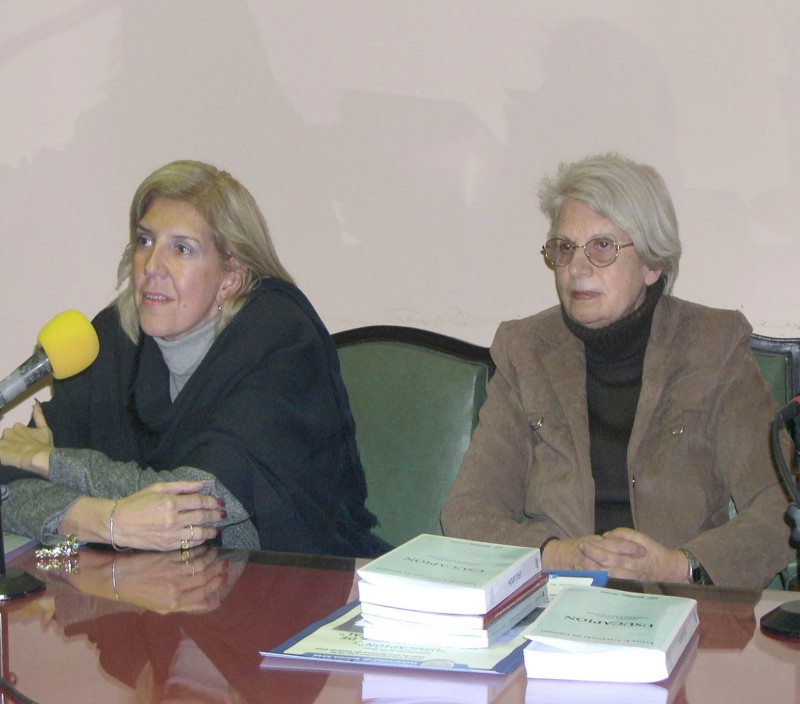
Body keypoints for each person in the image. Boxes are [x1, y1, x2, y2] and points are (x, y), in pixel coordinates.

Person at [441, 152, 794, 589]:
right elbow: (468, 509)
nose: (576, 267)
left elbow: (780, 505)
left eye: (602, 247)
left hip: (682, 604)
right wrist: (557, 555)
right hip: (556, 600)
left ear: (652, 264)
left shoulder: (712, 345)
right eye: (565, 248)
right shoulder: (526, 350)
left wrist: (678, 565)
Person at [0, 159, 387, 558]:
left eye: (181, 249)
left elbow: (196, 505)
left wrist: (44, 458)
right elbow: (7, 488)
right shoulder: (111, 338)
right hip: (147, 594)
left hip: (291, 588)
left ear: (230, 277)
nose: (151, 267)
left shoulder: (279, 338)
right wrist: (103, 519)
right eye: (145, 241)